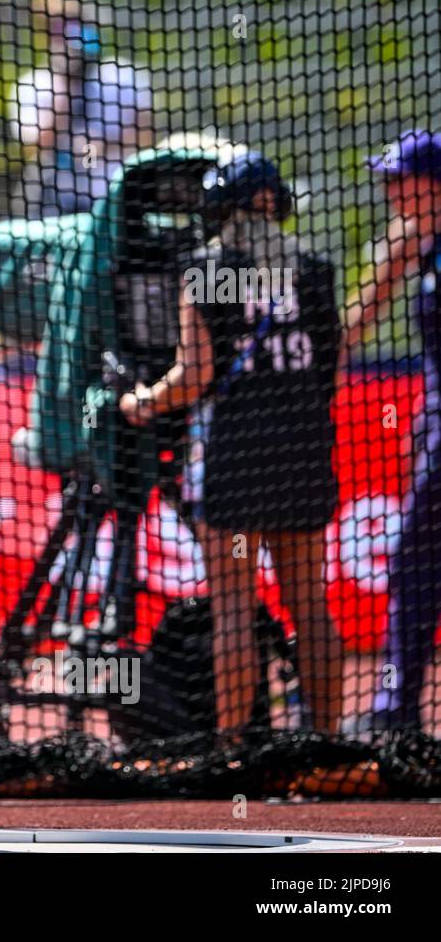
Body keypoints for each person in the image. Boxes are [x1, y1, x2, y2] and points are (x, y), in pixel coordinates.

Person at [119, 154, 344, 735]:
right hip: (303, 452)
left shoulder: (205, 272)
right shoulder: (315, 271)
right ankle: (325, 746)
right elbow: (329, 367)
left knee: (234, 610)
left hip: (236, 459)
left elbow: (194, 377)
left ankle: (234, 751)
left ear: (219, 209)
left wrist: (141, 402)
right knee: (309, 602)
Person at [341, 130, 441, 734]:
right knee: (414, 562)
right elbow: (363, 312)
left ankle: (397, 710)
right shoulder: (416, 238)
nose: (388, 189)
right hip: (438, 425)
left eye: (399, 179)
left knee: (415, 560)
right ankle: (397, 708)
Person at [9, 0, 154, 218]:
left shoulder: (122, 76)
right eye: (57, 25)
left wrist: (98, 146)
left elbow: (146, 137)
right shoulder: (33, 84)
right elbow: (35, 146)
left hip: (114, 201)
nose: (66, 32)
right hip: (56, 204)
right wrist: (67, 83)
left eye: (74, 22)